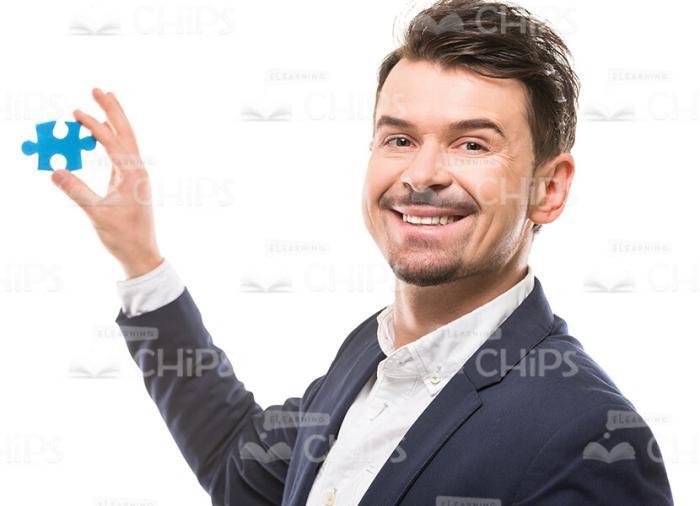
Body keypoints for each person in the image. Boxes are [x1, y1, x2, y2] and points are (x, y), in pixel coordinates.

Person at [51, 0, 674, 504]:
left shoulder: (585, 436)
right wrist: (140, 258)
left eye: (473, 145)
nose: (423, 174)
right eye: (399, 138)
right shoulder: (368, 358)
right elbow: (240, 468)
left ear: (549, 188)